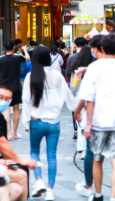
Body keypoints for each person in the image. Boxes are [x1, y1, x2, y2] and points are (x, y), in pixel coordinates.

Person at [80, 34, 115, 201]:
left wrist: (88, 123)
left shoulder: (93, 68)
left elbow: (89, 98)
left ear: (101, 49)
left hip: (98, 122)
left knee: (97, 159)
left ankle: (98, 194)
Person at [22, 47, 77, 201]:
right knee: (51, 155)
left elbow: (26, 101)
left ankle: (39, 181)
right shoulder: (57, 76)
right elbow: (69, 97)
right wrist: (77, 111)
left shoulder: (30, 77)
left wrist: (26, 122)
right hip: (54, 122)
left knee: (34, 151)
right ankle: (51, 192)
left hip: (36, 121)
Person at [0, 85, 38, 200]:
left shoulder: (2, 119)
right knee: (22, 168)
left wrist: (10, 161)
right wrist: (19, 160)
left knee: (20, 167)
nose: (4, 101)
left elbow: (4, 146)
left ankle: (25, 197)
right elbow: (1, 143)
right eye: (0, 97)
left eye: (7, 99)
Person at [0, 39, 30, 141]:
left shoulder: (0, 59)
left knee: (6, 110)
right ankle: (15, 133)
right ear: (13, 48)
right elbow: (28, 58)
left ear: (4, 48)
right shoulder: (18, 57)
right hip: (15, 88)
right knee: (16, 110)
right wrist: (25, 50)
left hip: (4, 89)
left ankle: (9, 134)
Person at [70, 46, 95, 159]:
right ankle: (91, 146)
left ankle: (82, 149)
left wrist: (74, 95)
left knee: (80, 124)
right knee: (89, 121)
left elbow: (73, 86)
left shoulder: (76, 68)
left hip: (79, 97)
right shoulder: (93, 67)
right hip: (90, 98)